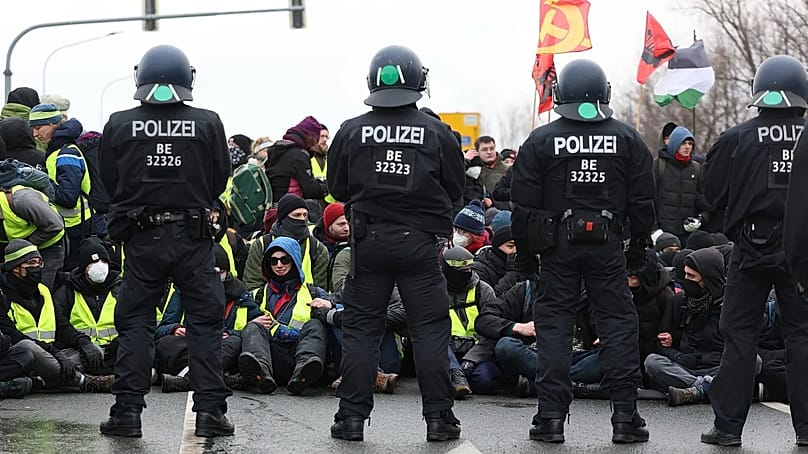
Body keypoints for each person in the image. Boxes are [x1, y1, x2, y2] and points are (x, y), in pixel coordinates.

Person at [511, 59, 656, 444]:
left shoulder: (541, 141)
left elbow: (522, 208)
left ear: (562, 94)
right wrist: (638, 250)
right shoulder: (627, 139)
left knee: (555, 329)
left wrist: (526, 257)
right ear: (604, 93)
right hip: (608, 248)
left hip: (556, 249)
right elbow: (644, 202)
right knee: (619, 326)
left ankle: (551, 418)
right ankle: (626, 417)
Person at [326, 44, 465, 442]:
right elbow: (456, 187)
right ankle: (440, 420)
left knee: (361, 331)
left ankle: (350, 419)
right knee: (430, 331)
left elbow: (337, 187)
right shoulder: (437, 132)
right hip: (421, 246)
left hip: (369, 242)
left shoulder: (352, 130)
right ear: (418, 81)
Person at [97, 45, 233, 438]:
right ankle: (210, 412)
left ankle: (126, 413)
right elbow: (219, 179)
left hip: (142, 237)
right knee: (206, 324)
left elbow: (109, 180)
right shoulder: (207, 123)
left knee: (135, 322)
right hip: (193, 237)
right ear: (187, 79)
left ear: (140, 78)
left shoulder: (120, 123)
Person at [704, 54, 808, 448]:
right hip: (803, 249)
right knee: (802, 337)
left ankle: (728, 428)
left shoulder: (736, 139)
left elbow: (712, 195)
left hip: (750, 246)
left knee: (739, 337)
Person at [29, 102, 93, 270]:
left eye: (38, 127)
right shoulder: (56, 150)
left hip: (76, 229)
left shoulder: (66, 153)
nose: (35, 134)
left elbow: (67, 197)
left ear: (53, 124)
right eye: (32, 128)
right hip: (68, 227)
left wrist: (39, 182)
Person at [653, 125, 710, 245]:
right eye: (683, 143)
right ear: (674, 144)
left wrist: (700, 219)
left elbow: (705, 203)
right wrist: (654, 230)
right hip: (663, 236)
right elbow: (649, 201)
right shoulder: (658, 166)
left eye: (690, 143)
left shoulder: (696, 169)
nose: (687, 147)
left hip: (688, 237)